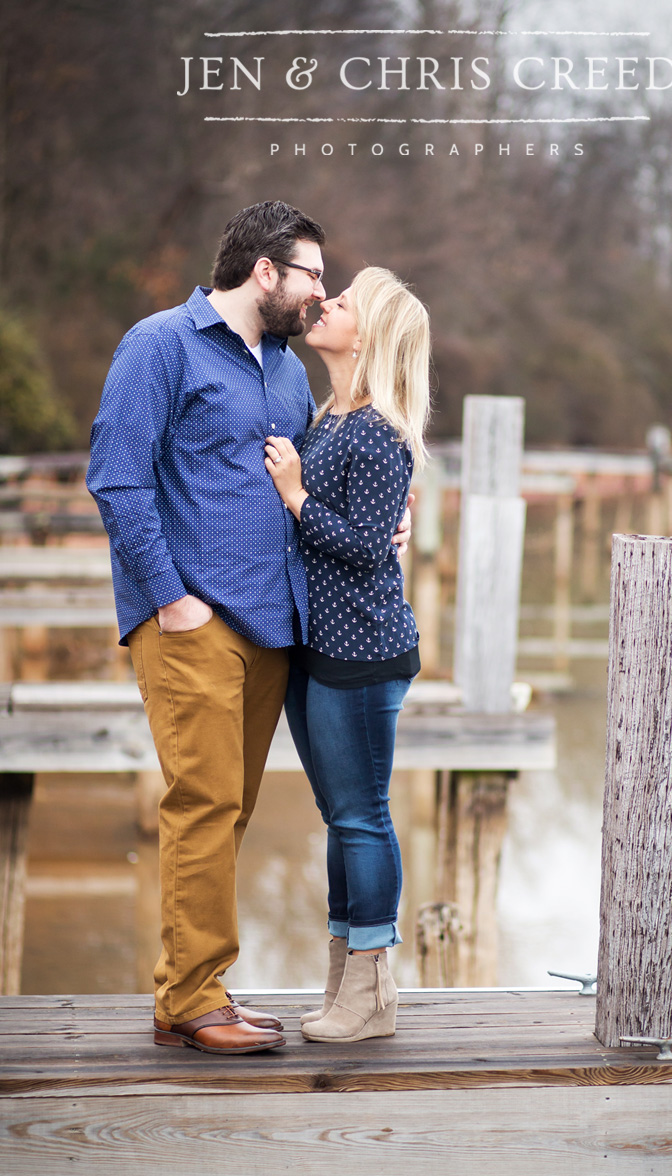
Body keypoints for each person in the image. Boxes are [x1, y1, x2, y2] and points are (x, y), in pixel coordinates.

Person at [87, 201, 410, 1055]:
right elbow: (117, 479)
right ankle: (193, 1000)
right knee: (204, 802)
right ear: (265, 271)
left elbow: (314, 481)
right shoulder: (160, 344)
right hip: (192, 617)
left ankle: (195, 990)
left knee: (232, 812)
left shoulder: (284, 374)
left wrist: (387, 525)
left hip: (275, 625)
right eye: (311, 275)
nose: (320, 293)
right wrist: (170, 598)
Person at [261, 267, 428, 1043]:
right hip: (319, 647)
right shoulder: (332, 418)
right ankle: (344, 980)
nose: (327, 305)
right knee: (339, 816)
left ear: (371, 335)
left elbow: (367, 550)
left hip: (363, 651)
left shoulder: (379, 430)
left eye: (346, 302)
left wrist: (297, 498)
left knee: (362, 818)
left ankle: (371, 988)